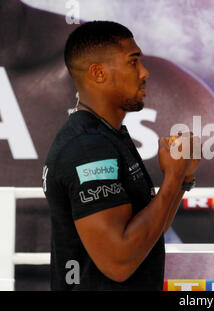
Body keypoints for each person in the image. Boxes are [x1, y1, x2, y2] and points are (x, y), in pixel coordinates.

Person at [43, 21, 199, 290]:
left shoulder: (107, 136)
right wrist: (173, 177)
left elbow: (149, 233)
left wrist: (182, 180)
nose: (144, 72)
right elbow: (119, 263)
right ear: (99, 73)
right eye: (133, 62)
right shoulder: (88, 148)